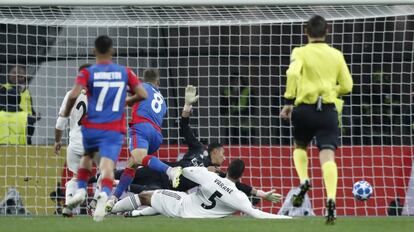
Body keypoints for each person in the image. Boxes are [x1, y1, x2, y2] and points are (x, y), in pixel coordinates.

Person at [62, 35, 148, 221]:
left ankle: (82, 190)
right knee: (107, 167)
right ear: (112, 51)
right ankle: (104, 194)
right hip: (113, 130)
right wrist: (128, 100)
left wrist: (67, 113)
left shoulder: (87, 72)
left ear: (94, 51)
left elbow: (73, 96)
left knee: (86, 160)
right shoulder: (124, 72)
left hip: (91, 127)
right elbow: (142, 94)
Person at [279, 15, 353, 224]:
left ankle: (304, 180)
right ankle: (330, 199)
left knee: (300, 148)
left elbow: (293, 73)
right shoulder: (336, 55)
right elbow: (347, 86)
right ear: (326, 31)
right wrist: (330, 89)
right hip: (328, 110)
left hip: (304, 109)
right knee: (328, 157)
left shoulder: (300, 52)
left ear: (306, 32)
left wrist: (288, 101)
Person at [106, 68, 182, 212]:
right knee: (132, 163)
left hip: (141, 127)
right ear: (157, 82)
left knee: (139, 158)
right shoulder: (162, 100)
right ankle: (114, 198)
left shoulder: (142, 87)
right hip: (157, 135)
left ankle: (170, 170)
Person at [111, 159, 291, 219]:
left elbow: (187, 170)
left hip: (183, 206)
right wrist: (287, 218)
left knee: (145, 195)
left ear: (226, 169)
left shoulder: (210, 177)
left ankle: (109, 208)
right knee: (164, 198)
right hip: (191, 209)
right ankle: (135, 214)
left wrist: (204, 170)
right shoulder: (239, 197)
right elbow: (257, 214)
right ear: (240, 176)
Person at [54, 63, 91, 217]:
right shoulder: (100, 96)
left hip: (75, 144)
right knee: (106, 173)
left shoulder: (71, 95)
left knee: (76, 176)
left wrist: (57, 141)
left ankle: (68, 204)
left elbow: (60, 123)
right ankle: (95, 206)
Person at [0, 65, 40, 144]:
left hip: (24, 129)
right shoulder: (3, 90)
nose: (17, 75)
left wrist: (34, 115)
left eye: (20, 74)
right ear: (9, 74)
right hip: (6, 129)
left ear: (24, 76)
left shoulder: (27, 92)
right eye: (14, 73)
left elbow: (30, 109)